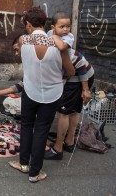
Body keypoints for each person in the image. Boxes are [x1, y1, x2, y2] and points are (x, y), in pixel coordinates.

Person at [7, 7, 74, 183]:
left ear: (28, 24)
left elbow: (28, 60)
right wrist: (59, 75)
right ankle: (34, 173)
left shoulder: (23, 40)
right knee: (42, 130)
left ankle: (23, 164)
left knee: (27, 126)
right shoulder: (59, 45)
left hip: (30, 91)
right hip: (53, 93)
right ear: (45, 23)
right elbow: (70, 70)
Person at [44, 12, 94, 160]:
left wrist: (85, 89)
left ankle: (58, 149)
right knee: (73, 110)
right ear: (53, 27)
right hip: (77, 74)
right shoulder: (49, 34)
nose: (66, 29)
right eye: (62, 26)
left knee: (64, 111)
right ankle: (70, 142)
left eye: (68, 26)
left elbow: (80, 65)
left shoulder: (66, 40)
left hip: (81, 75)